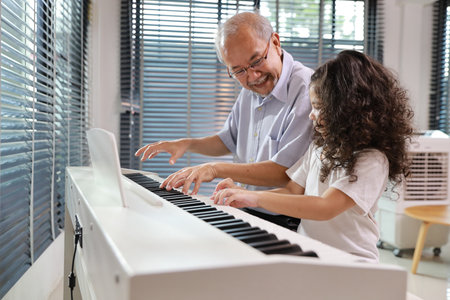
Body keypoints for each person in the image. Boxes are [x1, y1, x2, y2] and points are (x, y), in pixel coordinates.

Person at [212, 50, 415, 263]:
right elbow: (293, 190)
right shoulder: (320, 147)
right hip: (310, 251)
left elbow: (325, 207)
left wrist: (255, 197)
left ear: (347, 109)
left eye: (318, 107)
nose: (311, 115)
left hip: (352, 260)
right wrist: (243, 194)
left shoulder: (372, 160)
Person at [135, 12, 314, 230]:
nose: (253, 76)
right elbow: (229, 140)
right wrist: (187, 144)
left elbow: (284, 172)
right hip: (246, 210)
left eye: (256, 60)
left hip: (286, 221)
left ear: (275, 42)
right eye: (238, 70)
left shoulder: (308, 89)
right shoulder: (250, 87)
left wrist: (215, 169)